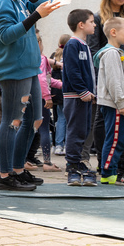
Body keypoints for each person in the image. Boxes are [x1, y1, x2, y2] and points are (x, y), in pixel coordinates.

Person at [0, 0, 61, 191]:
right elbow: (6, 35)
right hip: (14, 69)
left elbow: (49, 2)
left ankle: (18, 169)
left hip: (29, 68)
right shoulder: (2, 3)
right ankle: (5, 176)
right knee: (12, 121)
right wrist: (35, 16)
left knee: (35, 118)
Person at [95, 17, 124, 186]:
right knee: (115, 139)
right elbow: (114, 81)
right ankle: (108, 172)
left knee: (120, 139)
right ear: (113, 32)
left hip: (119, 104)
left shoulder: (117, 53)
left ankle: (111, 171)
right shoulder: (111, 54)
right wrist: (122, 103)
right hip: (114, 104)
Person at [62, 9, 98, 186]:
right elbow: (72, 71)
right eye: (92, 21)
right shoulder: (72, 44)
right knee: (75, 131)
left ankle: (79, 163)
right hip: (75, 96)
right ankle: (72, 167)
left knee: (82, 131)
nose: (95, 24)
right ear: (81, 25)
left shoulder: (84, 45)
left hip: (84, 97)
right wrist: (83, 91)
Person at [35, 31, 61, 172]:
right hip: (40, 97)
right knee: (44, 129)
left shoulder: (26, 58)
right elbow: (43, 79)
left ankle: (23, 161)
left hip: (27, 96)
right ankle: (47, 162)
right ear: (39, 44)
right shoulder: (40, 58)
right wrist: (47, 97)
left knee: (28, 129)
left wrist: (63, 84)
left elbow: (49, 80)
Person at [51, 35, 69, 156]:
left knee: (60, 118)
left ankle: (58, 145)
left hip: (56, 92)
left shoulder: (54, 56)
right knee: (69, 119)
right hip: (67, 91)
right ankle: (67, 145)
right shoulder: (68, 54)